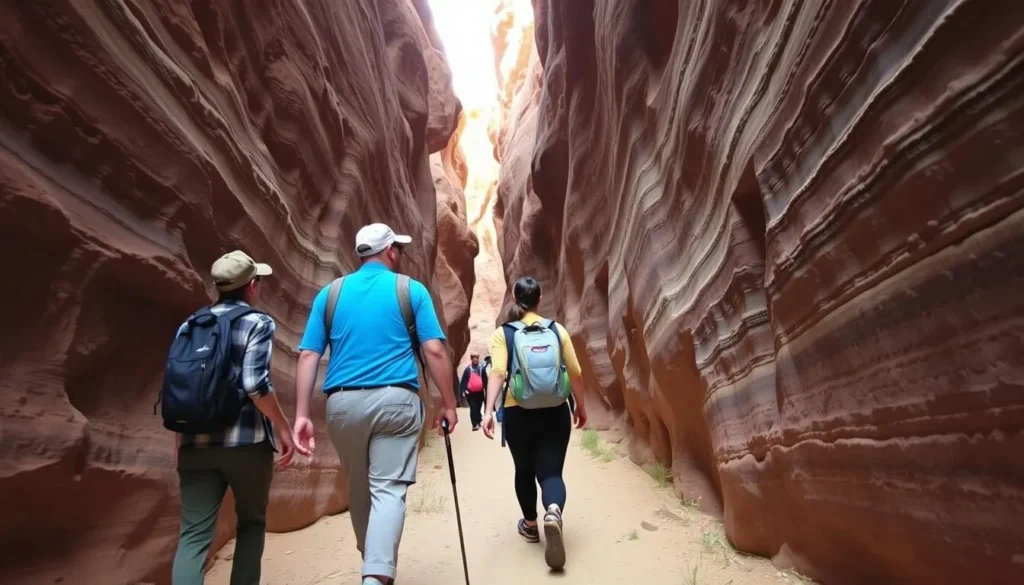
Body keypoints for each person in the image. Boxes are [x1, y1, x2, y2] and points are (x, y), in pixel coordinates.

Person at [291, 223, 459, 585]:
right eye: (398, 248)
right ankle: (376, 575)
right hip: (395, 402)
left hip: (342, 406)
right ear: (391, 252)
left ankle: (373, 561)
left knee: (358, 486)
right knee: (387, 488)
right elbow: (433, 349)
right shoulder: (410, 290)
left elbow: (308, 355)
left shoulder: (330, 294)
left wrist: (302, 414)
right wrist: (448, 404)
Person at [170, 250, 301, 585]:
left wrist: (179, 445)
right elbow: (255, 384)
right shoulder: (257, 323)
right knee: (252, 524)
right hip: (246, 444)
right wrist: (282, 427)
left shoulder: (190, 324)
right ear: (252, 286)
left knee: (194, 536)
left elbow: (180, 387)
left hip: (194, 446)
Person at [481, 276, 587, 570]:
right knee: (551, 473)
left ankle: (530, 524)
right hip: (555, 411)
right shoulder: (557, 330)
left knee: (524, 470)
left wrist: (488, 411)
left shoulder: (504, 334)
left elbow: (498, 373)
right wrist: (581, 406)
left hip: (518, 413)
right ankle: (553, 511)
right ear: (541, 300)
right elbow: (575, 372)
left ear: (515, 300)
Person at [459, 353, 488, 430]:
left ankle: (478, 420)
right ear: (471, 359)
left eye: (477, 358)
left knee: (478, 407)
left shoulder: (481, 369)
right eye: (474, 358)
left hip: (480, 392)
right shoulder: (468, 369)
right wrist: (464, 390)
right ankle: (474, 424)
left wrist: (487, 389)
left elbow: (485, 380)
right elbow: (464, 380)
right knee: (473, 407)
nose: (476, 360)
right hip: (470, 393)